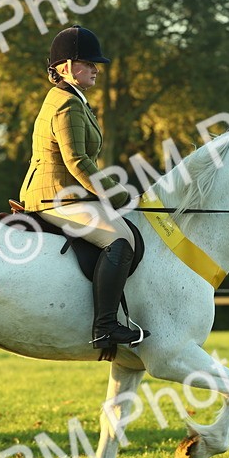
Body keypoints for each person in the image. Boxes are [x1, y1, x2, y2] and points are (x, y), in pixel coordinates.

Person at [18, 25, 150, 349]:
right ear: (64, 67)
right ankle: (105, 327)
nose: (95, 69)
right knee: (120, 239)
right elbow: (77, 160)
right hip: (54, 197)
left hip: (67, 194)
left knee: (127, 232)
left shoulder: (74, 100)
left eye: (95, 64)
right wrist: (117, 194)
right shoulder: (65, 105)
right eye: (87, 63)